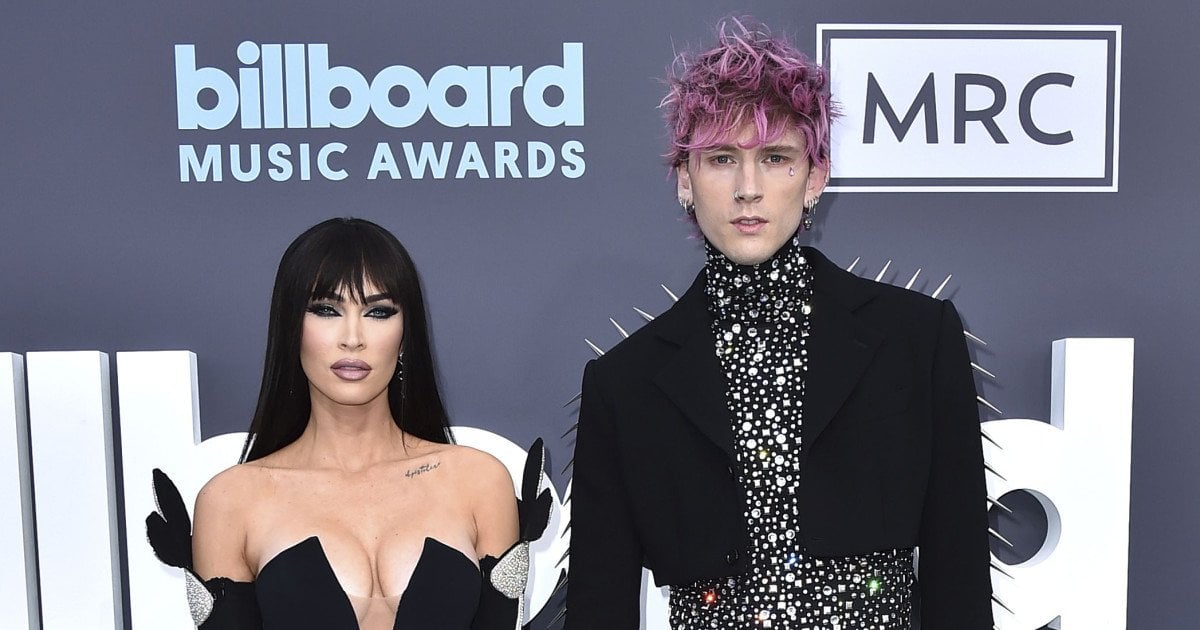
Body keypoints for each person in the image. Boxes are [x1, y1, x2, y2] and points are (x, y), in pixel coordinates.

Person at [565, 20, 994, 630]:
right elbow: (598, 608)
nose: (748, 189)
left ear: (815, 177)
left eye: (775, 158)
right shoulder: (624, 383)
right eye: (721, 159)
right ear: (685, 179)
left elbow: (960, 579)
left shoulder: (917, 340)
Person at [146, 217, 549, 630]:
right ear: (291, 327)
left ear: (405, 333)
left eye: (378, 312)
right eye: (326, 310)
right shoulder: (231, 501)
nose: (352, 337)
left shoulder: (478, 481)